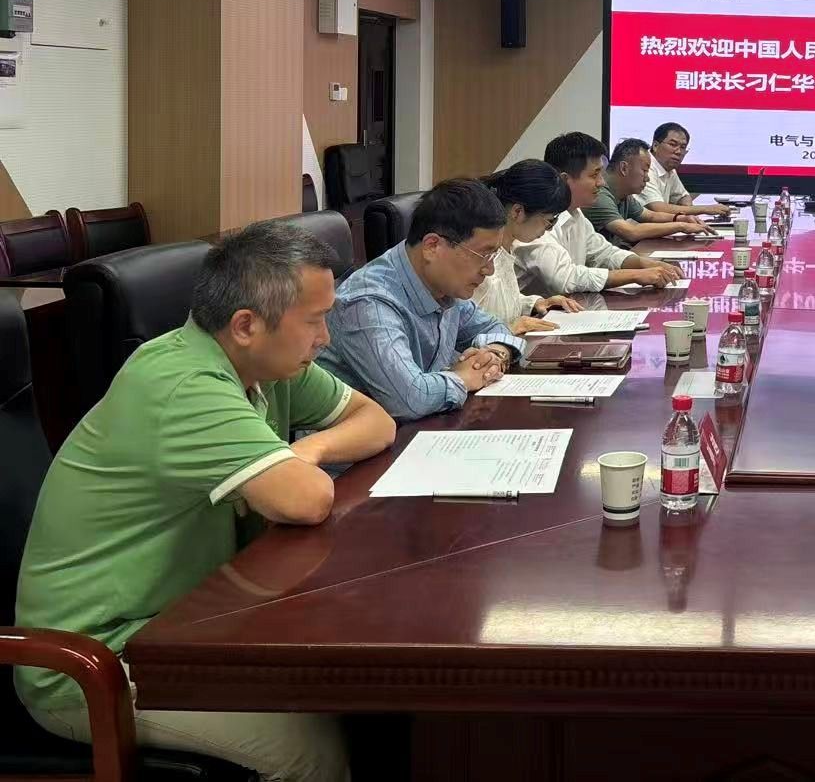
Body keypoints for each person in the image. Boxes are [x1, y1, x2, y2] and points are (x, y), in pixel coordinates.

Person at [14, 220, 395, 782]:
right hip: (98, 660)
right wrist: (297, 468)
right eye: (314, 320)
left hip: (192, 623)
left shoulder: (269, 363)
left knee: (359, 693)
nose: (326, 339)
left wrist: (306, 449)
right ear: (246, 325)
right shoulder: (182, 384)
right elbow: (306, 500)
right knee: (312, 753)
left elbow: (377, 421)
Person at [321, 179, 522, 421]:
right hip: (363, 442)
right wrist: (462, 378)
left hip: (425, 430)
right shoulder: (369, 302)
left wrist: (495, 354)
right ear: (432, 246)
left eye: (493, 256)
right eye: (483, 255)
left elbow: (493, 326)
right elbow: (410, 399)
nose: (489, 270)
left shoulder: (443, 285)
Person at [515, 132, 684, 295]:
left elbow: (604, 253)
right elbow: (566, 278)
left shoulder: (576, 214)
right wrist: (635, 275)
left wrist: (646, 264)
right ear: (565, 180)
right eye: (594, 175)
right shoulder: (536, 219)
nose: (601, 182)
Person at [474, 159, 585, 330]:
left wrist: (535, 303)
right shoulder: (482, 257)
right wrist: (509, 328)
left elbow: (502, 302)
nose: (549, 229)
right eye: (549, 221)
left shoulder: (507, 247)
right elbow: (467, 327)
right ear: (517, 211)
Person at [589, 138, 714, 247]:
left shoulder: (624, 194)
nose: (647, 178)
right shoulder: (599, 195)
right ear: (624, 168)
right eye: (644, 171)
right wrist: (681, 226)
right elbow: (631, 232)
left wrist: (681, 218)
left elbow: (649, 216)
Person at [643, 122, 731, 217]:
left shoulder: (669, 168)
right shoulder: (644, 167)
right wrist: (705, 209)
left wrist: (689, 214)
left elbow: (683, 197)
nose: (678, 151)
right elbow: (657, 208)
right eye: (673, 144)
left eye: (683, 147)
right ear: (655, 146)